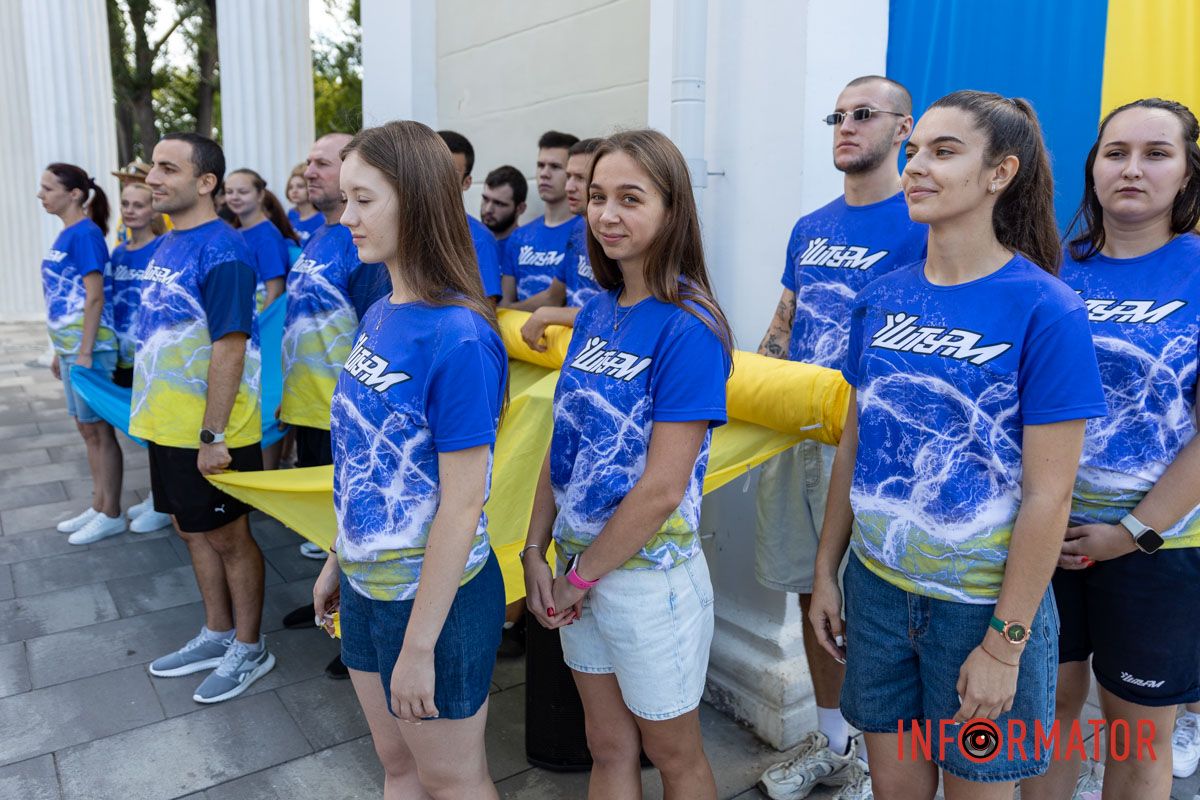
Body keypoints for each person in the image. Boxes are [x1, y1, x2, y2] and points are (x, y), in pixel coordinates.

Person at [808, 91, 1109, 799]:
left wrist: (1004, 647)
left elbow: (1049, 493)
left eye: (944, 152)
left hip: (979, 610)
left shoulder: (1046, 308)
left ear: (1000, 173)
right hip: (878, 595)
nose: (916, 166)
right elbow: (857, 444)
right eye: (915, 151)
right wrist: (828, 570)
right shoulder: (881, 296)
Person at [522, 129, 732, 800]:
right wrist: (535, 553)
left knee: (673, 754)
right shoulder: (596, 312)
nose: (606, 214)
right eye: (597, 197)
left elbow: (663, 488)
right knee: (605, 746)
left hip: (648, 583)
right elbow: (564, 446)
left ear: (672, 210)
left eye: (630, 198)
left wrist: (579, 579)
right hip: (577, 570)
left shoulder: (689, 325)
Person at [311, 119, 507, 799]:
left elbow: (462, 501)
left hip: (435, 607)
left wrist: (420, 644)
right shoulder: (381, 312)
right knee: (399, 769)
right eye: (344, 199)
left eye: (363, 200)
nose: (346, 218)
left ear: (417, 198)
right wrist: (340, 556)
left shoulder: (459, 336)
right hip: (367, 589)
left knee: (452, 780)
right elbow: (364, 460)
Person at [1020, 98, 1200, 800]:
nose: (1132, 168)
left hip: (1158, 549)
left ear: (1187, 173)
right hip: (1044, 538)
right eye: (1115, 152)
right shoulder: (1048, 270)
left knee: (1136, 735)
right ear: (1092, 167)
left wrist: (1134, 532)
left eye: (1157, 153)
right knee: (1043, 718)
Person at [754, 76, 927, 800]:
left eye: (864, 115)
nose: (846, 126)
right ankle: (832, 741)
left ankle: (882, 749)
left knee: (878, 606)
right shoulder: (811, 226)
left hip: (875, 446)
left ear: (904, 129)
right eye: (838, 116)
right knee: (810, 590)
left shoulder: (921, 221)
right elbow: (785, 325)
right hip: (796, 438)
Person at [135, 132, 274, 704]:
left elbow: (230, 347)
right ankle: (216, 632)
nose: (152, 178)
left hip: (211, 430)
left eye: (168, 169)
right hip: (166, 424)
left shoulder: (224, 250)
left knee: (229, 536)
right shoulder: (170, 242)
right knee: (189, 528)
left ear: (206, 182)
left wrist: (213, 435)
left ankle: (249, 646)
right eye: (152, 167)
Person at [277, 132, 388, 680]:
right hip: (308, 408)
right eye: (311, 160)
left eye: (324, 161)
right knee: (325, 521)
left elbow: (374, 329)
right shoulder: (323, 234)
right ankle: (330, 608)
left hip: (341, 413)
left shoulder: (361, 244)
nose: (311, 169)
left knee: (347, 515)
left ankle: (352, 630)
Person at [38, 163, 126, 546]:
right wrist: (61, 351)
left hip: (92, 350)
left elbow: (95, 295)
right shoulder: (67, 234)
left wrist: (86, 351)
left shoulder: (86, 235)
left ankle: (110, 512)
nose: (41, 195)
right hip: (73, 349)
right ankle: (98, 504)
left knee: (98, 430)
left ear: (74, 194)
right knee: (86, 430)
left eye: (47, 188)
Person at [109, 181, 172, 535]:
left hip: (151, 356)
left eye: (139, 204)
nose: (131, 210)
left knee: (156, 434)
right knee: (142, 433)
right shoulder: (118, 253)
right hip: (123, 355)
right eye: (126, 204)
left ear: (154, 210)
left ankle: (161, 502)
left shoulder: (162, 247)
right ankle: (155, 496)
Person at [519, 137, 605, 351]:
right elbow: (553, 295)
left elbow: (623, 312)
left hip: (602, 351)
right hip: (567, 348)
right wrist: (504, 310)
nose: (569, 187)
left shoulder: (615, 235)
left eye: (579, 178)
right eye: (568, 176)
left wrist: (549, 315)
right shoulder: (578, 229)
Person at [499, 131, 579, 306]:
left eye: (555, 167)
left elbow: (560, 299)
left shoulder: (585, 233)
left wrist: (514, 309)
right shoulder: (519, 236)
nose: (544, 173)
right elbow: (505, 302)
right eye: (540, 165)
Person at [438, 129, 502, 301]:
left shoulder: (480, 240)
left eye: (450, 173)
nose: (438, 179)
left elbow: (486, 315)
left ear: (467, 182)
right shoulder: (400, 228)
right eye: (433, 169)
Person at [224, 168, 297, 311]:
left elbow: (275, 291)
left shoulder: (267, 237)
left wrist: (261, 328)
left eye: (243, 192)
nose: (234, 197)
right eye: (229, 192)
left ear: (260, 195)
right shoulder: (237, 232)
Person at [480, 164, 528, 243]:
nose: (488, 209)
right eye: (485, 199)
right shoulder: (470, 243)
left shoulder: (525, 251)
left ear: (520, 208)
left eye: (499, 204)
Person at [285, 162, 323, 244]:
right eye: (291, 187)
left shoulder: (322, 219)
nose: (294, 191)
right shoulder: (291, 214)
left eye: (300, 186)